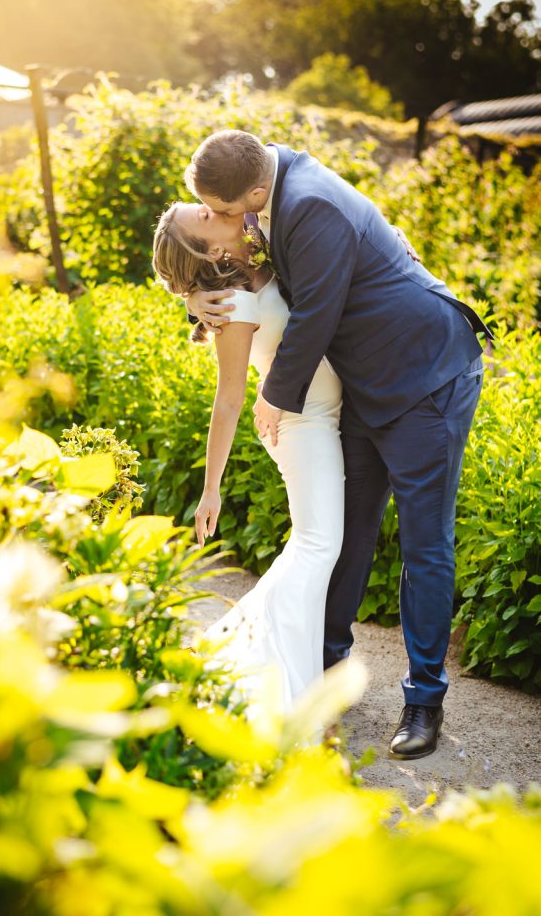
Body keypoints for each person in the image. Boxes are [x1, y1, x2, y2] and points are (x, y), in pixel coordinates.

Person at [184, 130, 492, 760]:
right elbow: (258, 282)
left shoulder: (311, 202)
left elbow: (318, 310)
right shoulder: (268, 195)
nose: (220, 221)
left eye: (223, 210)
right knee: (346, 530)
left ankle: (424, 700)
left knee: (424, 544)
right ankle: (327, 665)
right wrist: (194, 295)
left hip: (425, 377)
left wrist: (275, 395)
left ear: (255, 192)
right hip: (366, 387)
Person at [152, 202, 345, 717]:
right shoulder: (231, 303)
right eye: (204, 215)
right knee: (317, 547)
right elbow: (229, 398)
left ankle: (225, 657)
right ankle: (257, 678)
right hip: (302, 426)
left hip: (326, 415)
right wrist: (210, 487)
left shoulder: (260, 246)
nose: (214, 209)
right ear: (206, 248)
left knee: (315, 547)